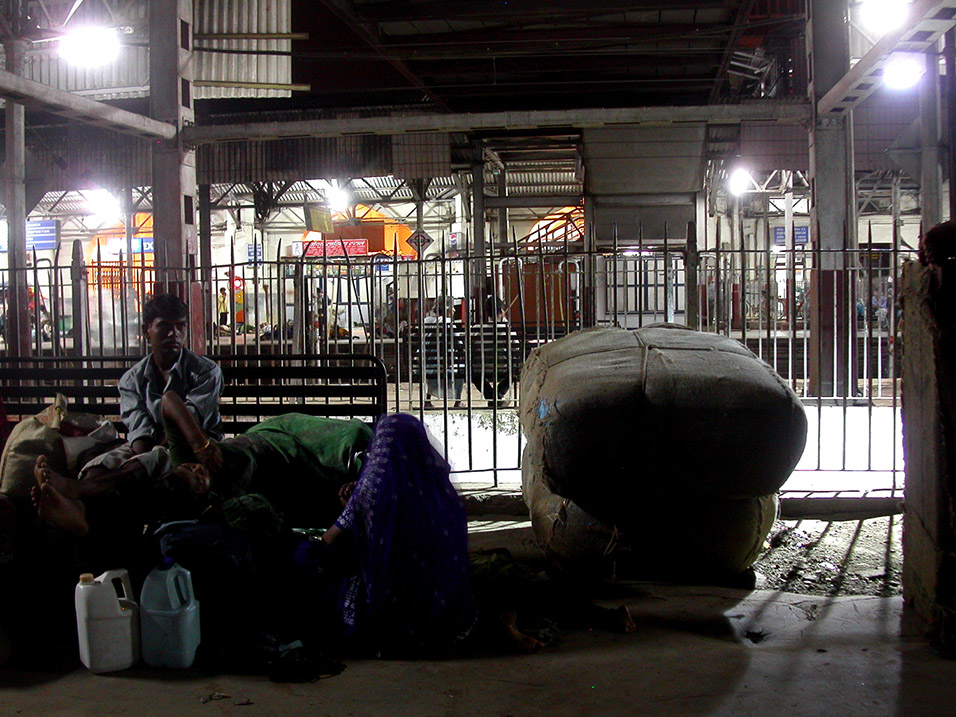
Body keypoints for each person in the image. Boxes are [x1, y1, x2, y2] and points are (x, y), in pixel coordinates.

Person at [116, 293, 224, 463]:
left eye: (180, 326)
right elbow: (139, 428)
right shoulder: (131, 380)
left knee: (153, 464)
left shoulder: (206, 371)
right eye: (164, 326)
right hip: (146, 448)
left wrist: (151, 458)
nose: (174, 333)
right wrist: (145, 457)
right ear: (146, 331)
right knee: (100, 467)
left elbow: (190, 421)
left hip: (197, 447)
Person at [470, 294, 518, 408]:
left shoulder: (477, 329)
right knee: (514, 371)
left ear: (487, 312)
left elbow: (469, 350)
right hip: (503, 368)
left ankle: (493, 397)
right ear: (501, 310)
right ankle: (498, 395)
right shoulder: (507, 330)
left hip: (481, 368)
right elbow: (516, 350)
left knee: (475, 375)